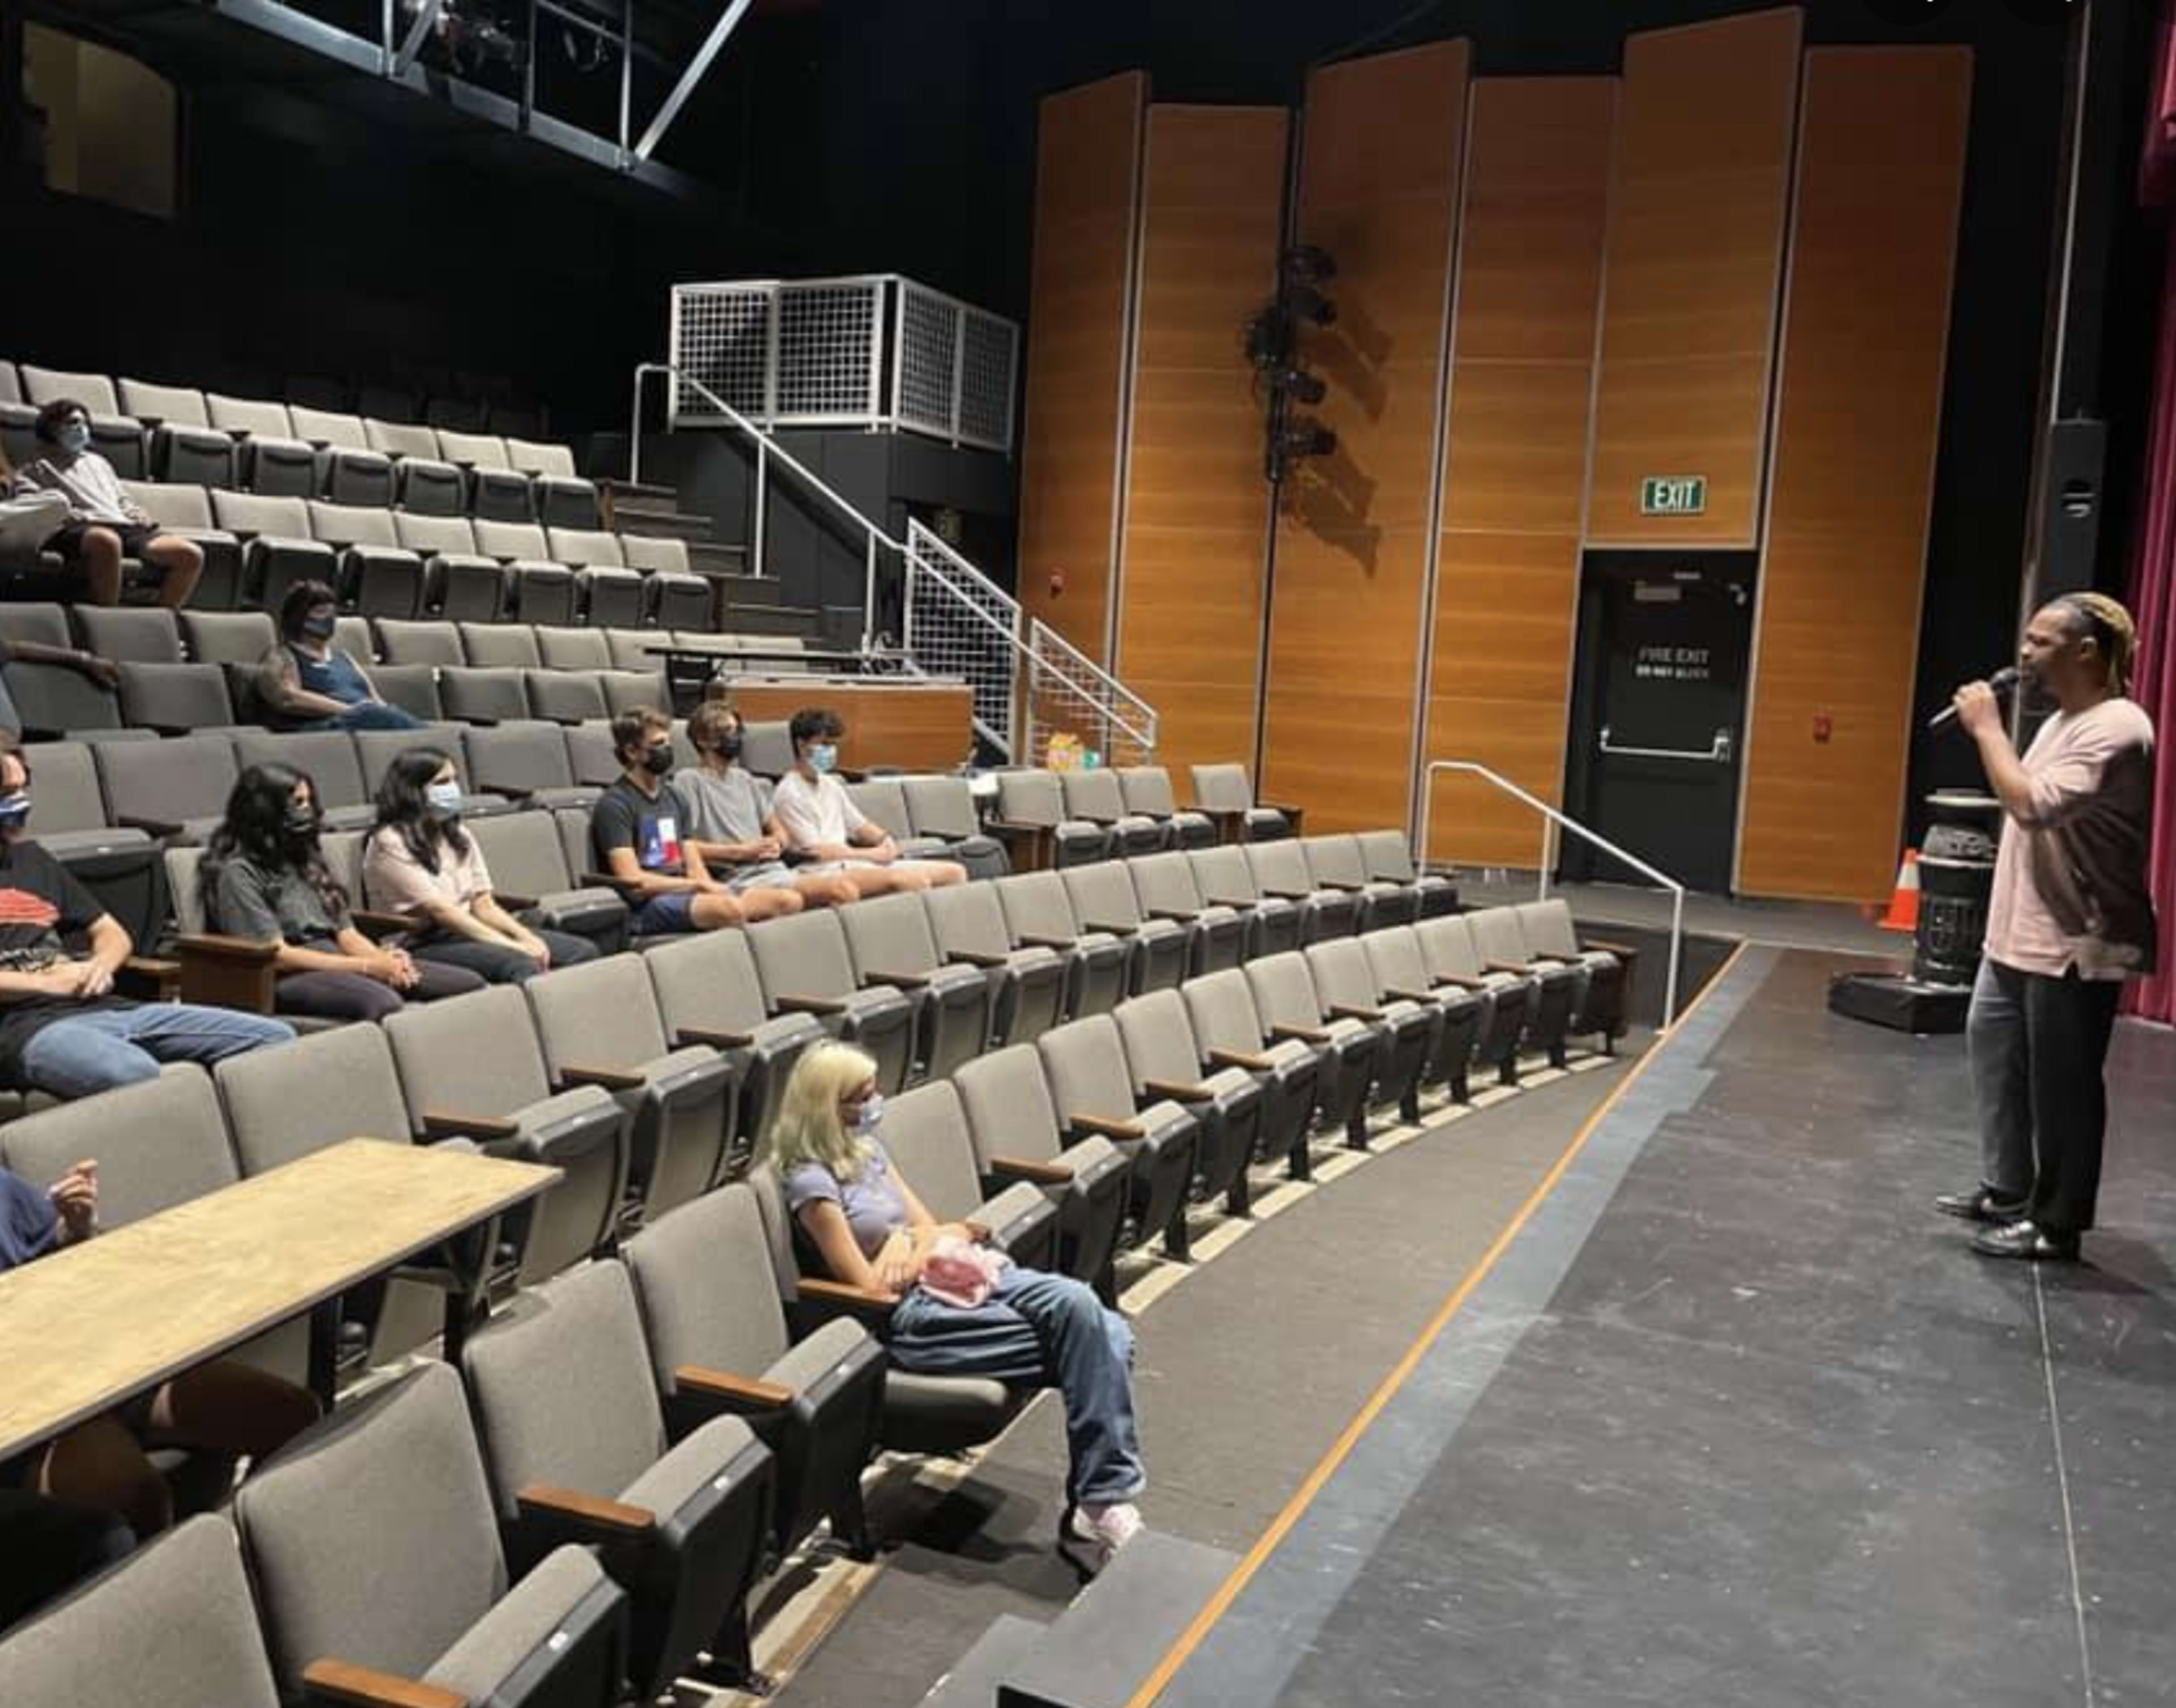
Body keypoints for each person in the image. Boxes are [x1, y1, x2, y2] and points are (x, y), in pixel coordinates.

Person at [765, 1043, 1146, 1554]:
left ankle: (1098, 1500)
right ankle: (1100, 1502)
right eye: (862, 1096)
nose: (876, 1102)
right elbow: (869, 1286)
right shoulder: (811, 1183)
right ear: (827, 1107)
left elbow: (937, 1228)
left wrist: (906, 1244)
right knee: (1107, 1337)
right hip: (914, 1318)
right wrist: (913, 1245)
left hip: (960, 1274)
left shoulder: (868, 1151)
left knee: (1079, 1307)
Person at [1939, 592, 2158, 1261]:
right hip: (2018, 934)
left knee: (2063, 1083)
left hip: (2073, 938)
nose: (2024, 654)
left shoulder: (2118, 725)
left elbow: (2032, 805)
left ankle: (2057, 1221)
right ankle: (2009, 1189)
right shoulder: (2060, 721)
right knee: (1995, 1052)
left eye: (2040, 642)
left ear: (2086, 650)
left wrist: (1986, 729)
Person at [0, 1159, 318, 1548]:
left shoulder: (6, 1188)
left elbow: (72, 1259)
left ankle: (275, 1567)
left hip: (111, 1362)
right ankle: (178, 1595)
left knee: (293, 1415)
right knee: (141, 1496)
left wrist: (77, 1227)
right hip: (37, 1414)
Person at [0, 734, 294, 1099]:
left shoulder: (33, 859)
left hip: (104, 1005)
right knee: (135, 1073)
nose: (18, 803)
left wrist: (100, 967)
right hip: (24, 1029)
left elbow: (112, 933)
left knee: (276, 1040)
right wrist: (50, 983)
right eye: (5, 793)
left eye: (21, 788)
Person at [203, 763, 486, 1023]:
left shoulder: (306, 858)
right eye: (298, 802)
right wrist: (366, 967)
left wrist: (381, 960)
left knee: (466, 984)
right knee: (383, 1001)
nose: (308, 810)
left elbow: (346, 933)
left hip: (337, 956)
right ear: (266, 810)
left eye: (309, 801)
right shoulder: (239, 872)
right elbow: (278, 955)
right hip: (289, 973)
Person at [362, 746, 598, 983]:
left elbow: (484, 904)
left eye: (455, 780)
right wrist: (511, 946)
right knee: (519, 964)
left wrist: (526, 937)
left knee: (581, 951)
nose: (453, 789)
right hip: (422, 941)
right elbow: (441, 911)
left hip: (469, 931)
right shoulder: (389, 841)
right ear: (413, 790)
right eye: (442, 782)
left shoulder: (458, 833)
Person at [590, 707, 804, 934]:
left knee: (789, 901)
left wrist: (706, 886)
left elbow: (694, 864)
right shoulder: (615, 804)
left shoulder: (674, 798)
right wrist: (697, 886)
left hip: (686, 891)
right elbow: (633, 880)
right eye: (658, 744)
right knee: (729, 909)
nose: (667, 749)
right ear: (632, 752)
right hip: (649, 903)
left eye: (668, 742)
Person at [7, 400, 202, 607]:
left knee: (189, 554)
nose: (81, 429)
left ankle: (162, 620)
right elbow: (33, 508)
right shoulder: (33, 469)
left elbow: (121, 499)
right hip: (77, 529)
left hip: (123, 526)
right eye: (72, 423)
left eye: (84, 424)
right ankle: (108, 620)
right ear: (51, 428)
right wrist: (69, 515)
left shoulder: (99, 463)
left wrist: (135, 513)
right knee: (106, 541)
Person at [673, 700, 859, 910]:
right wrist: (741, 852)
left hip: (773, 868)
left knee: (846, 890)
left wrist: (775, 843)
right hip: (736, 877)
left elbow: (779, 831)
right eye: (725, 731)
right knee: (840, 891)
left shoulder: (745, 779)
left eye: (737, 731)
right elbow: (683, 845)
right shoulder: (688, 781)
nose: (734, 738)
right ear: (703, 740)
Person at [770, 707, 967, 897]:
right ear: (802, 745)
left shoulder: (830, 785)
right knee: (912, 881)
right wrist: (876, 855)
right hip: (823, 873)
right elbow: (818, 853)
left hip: (852, 864)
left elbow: (862, 826)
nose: (831, 751)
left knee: (955, 873)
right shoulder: (789, 793)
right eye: (824, 744)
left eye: (834, 745)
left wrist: (886, 841)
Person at [254, 580, 424, 733]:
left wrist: (384, 712)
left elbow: (375, 699)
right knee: (375, 715)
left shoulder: (344, 657)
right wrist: (351, 710)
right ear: (299, 617)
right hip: (323, 727)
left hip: (366, 722)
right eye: (321, 612)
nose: (330, 619)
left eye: (333, 613)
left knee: (392, 715)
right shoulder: (282, 655)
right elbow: (288, 699)